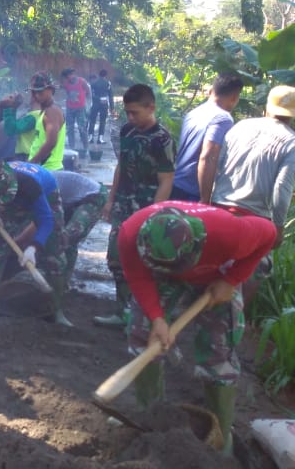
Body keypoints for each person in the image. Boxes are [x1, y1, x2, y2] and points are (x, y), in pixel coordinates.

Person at [118, 203, 275, 455]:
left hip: (216, 273)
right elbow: (138, 277)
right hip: (159, 275)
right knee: (142, 335)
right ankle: (150, 417)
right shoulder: (130, 233)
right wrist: (158, 319)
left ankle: (221, 436)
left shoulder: (230, 234)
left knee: (218, 350)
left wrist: (231, 280)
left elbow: (269, 233)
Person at [95, 84, 176, 327]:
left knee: (144, 263)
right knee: (116, 258)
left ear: (151, 107)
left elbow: (166, 180)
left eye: (135, 112)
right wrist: (111, 200)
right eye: (128, 112)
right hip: (123, 204)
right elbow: (122, 166)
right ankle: (122, 313)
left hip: (147, 207)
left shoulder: (162, 139)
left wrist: (153, 214)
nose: (131, 117)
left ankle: (142, 318)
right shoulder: (127, 131)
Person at [210, 85, 295, 300]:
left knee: (210, 271)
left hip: (219, 211)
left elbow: (218, 167)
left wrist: (210, 202)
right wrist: (277, 226)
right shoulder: (291, 142)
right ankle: (238, 322)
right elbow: (282, 187)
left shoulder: (240, 127)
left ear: (266, 108)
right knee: (251, 271)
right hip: (254, 221)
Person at [0, 161, 72, 326]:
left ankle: (56, 310)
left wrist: (33, 248)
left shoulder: (30, 186)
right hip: (9, 192)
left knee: (54, 251)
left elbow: (46, 221)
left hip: (46, 195)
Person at [170, 74, 243, 202]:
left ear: (211, 91)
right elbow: (208, 156)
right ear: (234, 97)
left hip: (176, 185)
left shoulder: (194, 113)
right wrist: (205, 199)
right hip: (193, 192)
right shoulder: (222, 118)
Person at [27, 71, 67, 170]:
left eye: (40, 92)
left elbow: (51, 143)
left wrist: (32, 163)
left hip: (48, 170)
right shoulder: (45, 111)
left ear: (51, 90)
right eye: (34, 92)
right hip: (43, 168)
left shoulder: (51, 112)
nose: (37, 95)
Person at [61, 68, 91, 149]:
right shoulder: (66, 83)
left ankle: (86, 148)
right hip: (70, 109)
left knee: (82, 129)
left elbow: (88, 92)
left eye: (69, 76)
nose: (68, 78)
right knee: (70, 129)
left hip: (80, 108)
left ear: (72, 74)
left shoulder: (82, 81)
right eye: (66, 77)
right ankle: (72, 148)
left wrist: (88, 106)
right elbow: (67, 92)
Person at [87, 69, 114, 144]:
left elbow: (91, 94)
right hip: (104, 104)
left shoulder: (94, 83)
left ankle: (90, 137)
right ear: (106, 75)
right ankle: (100, 138)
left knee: (92, 120)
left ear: (99, 75)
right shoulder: (108, 83)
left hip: (95, 103)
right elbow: (111, 96)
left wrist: (97, 99)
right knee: (102, 121)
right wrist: (112, 108)